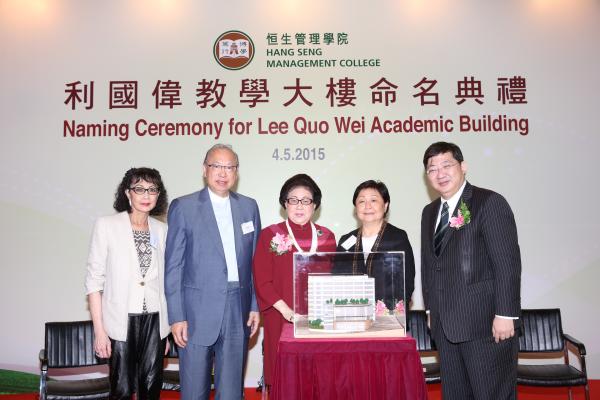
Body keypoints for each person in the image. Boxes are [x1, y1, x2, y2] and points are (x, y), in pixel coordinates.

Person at [420, 142, 521, 399]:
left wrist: (506, 313)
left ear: (463, 167)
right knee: (455, 394)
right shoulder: (430, 212)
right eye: (432, 169)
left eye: (447, 165)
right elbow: (431, 264)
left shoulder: (489, 202)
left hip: (485, 324)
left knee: (491, 394)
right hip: (445, 326)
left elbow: (507, 262)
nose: (440, 173)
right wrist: (431, 309)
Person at [165, 144, 261, 400]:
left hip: (237, 309)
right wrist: (176, 316)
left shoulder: (249, 207)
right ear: (204, 169)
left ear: (236, 172)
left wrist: (254, 305)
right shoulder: (183, 207)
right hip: (196, 311)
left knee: (231, 392)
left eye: (229, 167)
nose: (222, 172)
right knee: (194, 390)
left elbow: (254, 262)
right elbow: (173, 266)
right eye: (216, 166)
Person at [85, 167, 170, 400]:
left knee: (151, 388)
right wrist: (100, 331)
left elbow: (165, 282)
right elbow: (94, 281)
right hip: (120, 319)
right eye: (139, 189)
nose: (146, 195)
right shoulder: (107, 225)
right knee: (121, 389)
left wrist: (165, 331)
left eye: (152, 190)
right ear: (127, 193)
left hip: (155, 320)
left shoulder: (162, 230)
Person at [253, 173, 337, 389]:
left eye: (306, 200)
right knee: (284, 380)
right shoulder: (270, 234)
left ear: (315, 205)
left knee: (317, 378)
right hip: (281, 318)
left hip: (319, 321)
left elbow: (334, 279)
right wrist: (287, 311)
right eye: (293, 200)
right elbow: (262, 280)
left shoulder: (327, 236)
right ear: (285, 203)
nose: (299, 206)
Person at [335, 180, 416, 314]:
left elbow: (407, 282)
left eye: (373, 200)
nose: (367, 206)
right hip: (351, 317)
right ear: (355, 208)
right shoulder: (346, 241)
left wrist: (391, 313)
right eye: (361, 201)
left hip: (389, 318)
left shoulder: (397, 237)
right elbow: (336, 280)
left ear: (385, 205)